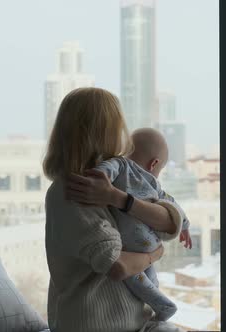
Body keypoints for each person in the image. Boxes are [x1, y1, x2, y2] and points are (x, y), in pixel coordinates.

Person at [43, 87, 185, 332]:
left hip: (134, 322)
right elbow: (117, 265)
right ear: (102, 131)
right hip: (94, 324)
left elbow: (171, 221)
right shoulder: (70, 192)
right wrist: (155, 254)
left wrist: (119, 198)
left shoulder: (113, 180)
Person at [88, 127, 192, 321]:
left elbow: (101, 174)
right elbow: (172, 204)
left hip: (130, 242)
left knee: (135, 275)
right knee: (149, 272)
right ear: (154, 164)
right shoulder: (155, 184)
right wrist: (185, 225)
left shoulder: (120, 164)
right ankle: (156, 306)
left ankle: (162, 304)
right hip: (151, 239)